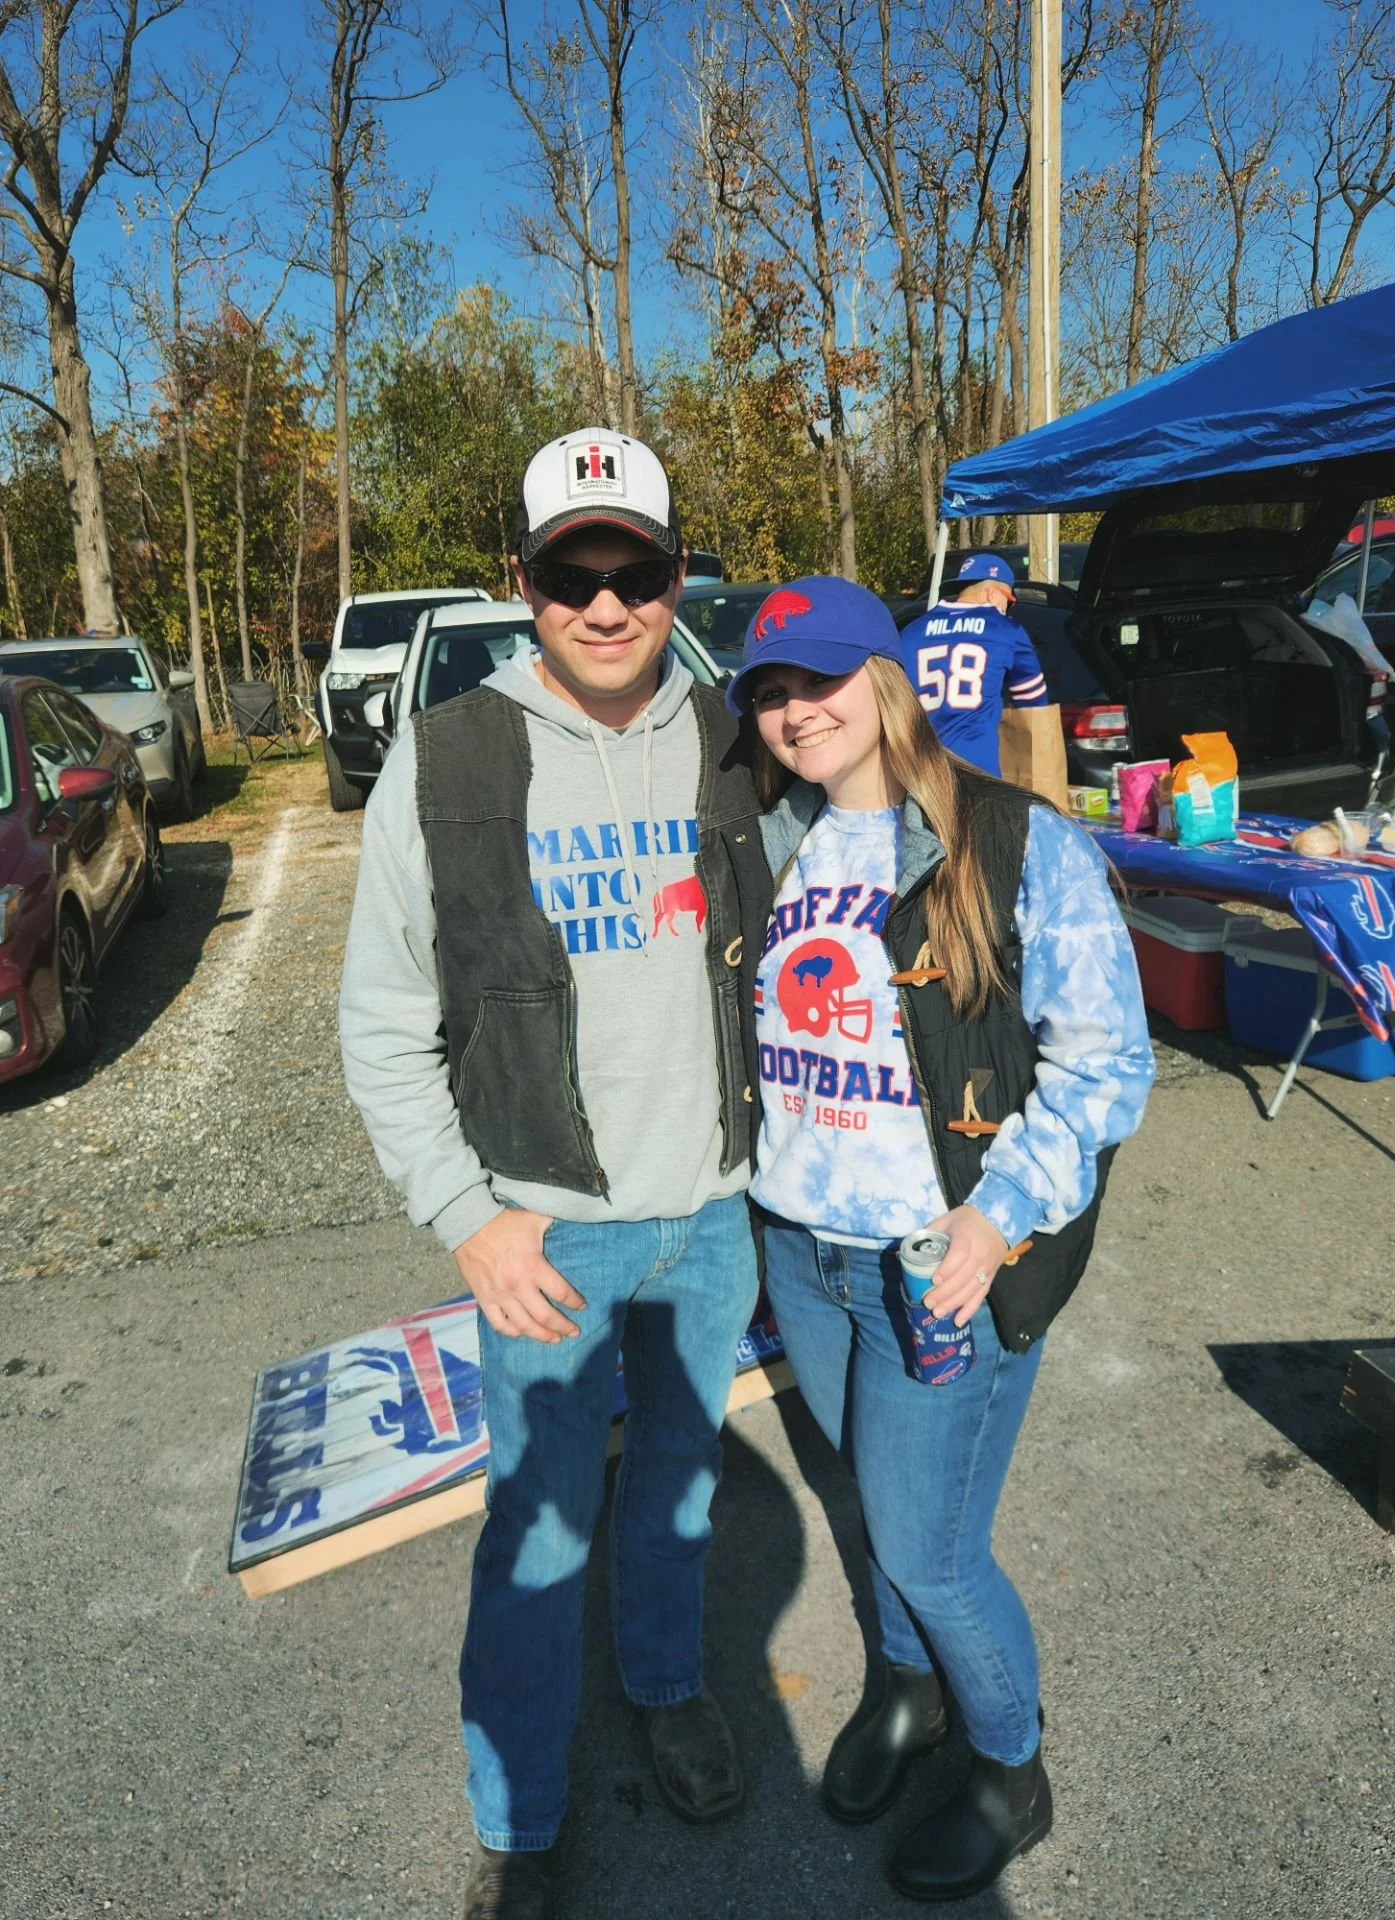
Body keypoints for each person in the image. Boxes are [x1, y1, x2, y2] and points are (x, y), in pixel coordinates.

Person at [339, 428, 771, 1920]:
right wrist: (467, 1221)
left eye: (634, 569)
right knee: (533, 1542)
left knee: (676, 1494)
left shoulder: (735, 734)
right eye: (571, 573)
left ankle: (665, 1689)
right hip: (549, 1239)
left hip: (712, 1217)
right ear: (522, 583)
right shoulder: (449, 756)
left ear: (672, 575)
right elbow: (383, 1022)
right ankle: (519, 1825)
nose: (605, 605)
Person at [724, 576, 1156, 1903]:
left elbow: (1105, 1068)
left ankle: (1008, 1767)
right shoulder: (767, 840)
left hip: (938, 1265)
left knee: (930, 1548)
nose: (798, 711)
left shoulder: (1016, 843)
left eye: (822, 678)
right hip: (801, 1251)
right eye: (773, 692)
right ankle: (907, 1694)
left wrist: (996, 1213)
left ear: (888, 676)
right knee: (860, 1496)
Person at [897, 552, 1067, 806]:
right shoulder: (1004, 629)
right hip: (979, 774)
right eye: (1009, 600)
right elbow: (1033, 702)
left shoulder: (911, 632)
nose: (1009, 608)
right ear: (991, 593)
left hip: (918, 772)